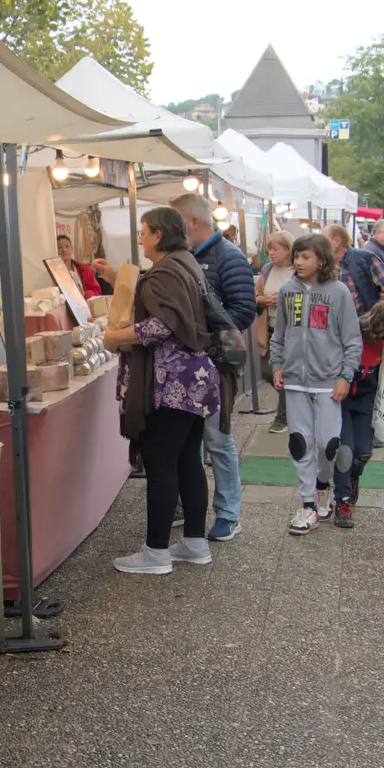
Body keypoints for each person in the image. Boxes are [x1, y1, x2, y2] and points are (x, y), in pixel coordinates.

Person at [104, 206, 220, 575]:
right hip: (195, 381)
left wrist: (115, 337)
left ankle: (156, 554)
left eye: (143, 232)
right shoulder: (187, 265)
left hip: (171, 383)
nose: (140, 239)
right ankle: (195, 543)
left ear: (158, 235)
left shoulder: (165, 273)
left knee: (160, 464)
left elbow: (162, 325)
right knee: (187, 460)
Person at [172, 193, 256, 542]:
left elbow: (244, 310)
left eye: (176, 221)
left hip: (216, 365)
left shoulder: (229, 256)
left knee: (218, 439)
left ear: (192, 221)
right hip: (189, 364)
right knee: (191, 440)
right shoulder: (187, 257)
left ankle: (228, 513)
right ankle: (189, 504)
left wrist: (205, 337)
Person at [270, 234, 362, 535]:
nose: (298, 261)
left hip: (329, 381)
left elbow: (352, 340)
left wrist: (346, 376)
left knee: (328, 444)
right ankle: (308, 503)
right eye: (296, 256)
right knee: (300, 442)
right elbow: (279, 335)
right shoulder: (287, 291)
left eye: (305, 256)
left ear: (322, 259)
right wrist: (278, 365)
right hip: (296, 380)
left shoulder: (339, 293)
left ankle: (323, 484)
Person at [332, 300, 384, 528]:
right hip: (341, 399)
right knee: (345, 451)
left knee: (364, 451)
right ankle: (343, 500)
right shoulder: (352, 332)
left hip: (367, 400)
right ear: (381, 326)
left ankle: (352, 478)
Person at [255, 231, 296, 433]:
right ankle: (292, 406)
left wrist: (284, 298)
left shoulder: (297, 270)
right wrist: (263, 300)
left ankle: (283, 417)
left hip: (292, 330)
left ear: (287, 249)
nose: (271, 253)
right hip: (270, 328)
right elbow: (256, 295)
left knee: (283, 372)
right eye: (269, 249)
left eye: (276, 249)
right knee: (266, 370)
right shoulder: (268, 269)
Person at [326, 222, 384, 315]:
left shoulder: (365, 257)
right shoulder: (323, 264)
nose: (319, 244)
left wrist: (371, 317)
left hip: (365, 325)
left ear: (336, 241)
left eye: (323, 240)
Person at [57, 234, 101, 300]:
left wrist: (85, 293)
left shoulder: (84, 269)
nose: (64, 250)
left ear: (72, 249)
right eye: (59, 247)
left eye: (67, 246)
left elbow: (97, 291)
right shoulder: (53, 271)